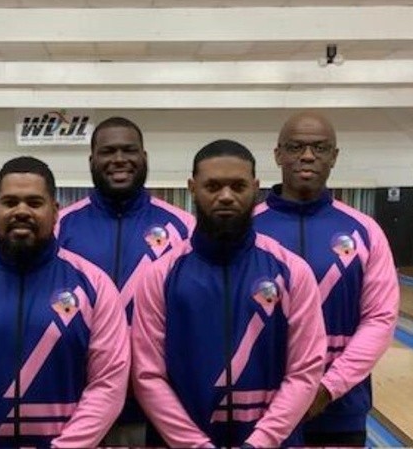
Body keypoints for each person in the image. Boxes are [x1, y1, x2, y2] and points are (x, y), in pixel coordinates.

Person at [0, 156, 129, 448]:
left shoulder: (95, 286)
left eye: (34, 203)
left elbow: (108, 384)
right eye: (10, 202)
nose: (21, 211)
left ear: (55, 211)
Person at [129, 139, 326, 448]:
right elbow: (148, 375)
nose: (225, 196)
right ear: (192, 188)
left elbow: (304, 371)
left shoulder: (292, 271)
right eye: (212, 186)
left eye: (238, 186)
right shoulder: (160, 275)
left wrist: (260, 442)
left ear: (256, 189)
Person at [253, 111, 399, 446]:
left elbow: (379, 319)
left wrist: (328, 387)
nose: (307, 156)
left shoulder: (365, 231)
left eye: (320, 148)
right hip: (260, 410)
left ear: (334, 156)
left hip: (340, 410)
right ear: (277, 154)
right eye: (295, 147)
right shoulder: (247, 227)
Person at [56, 116, 194, 444]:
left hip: (160, 413)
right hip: (78, 408)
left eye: (129, 150)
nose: (119, 159)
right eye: (108, 151)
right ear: (91, 160)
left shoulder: (185, 228)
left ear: (144, 157)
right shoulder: (61, 227)